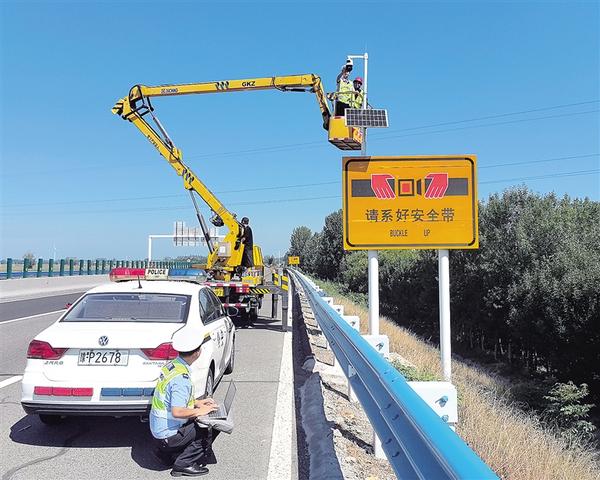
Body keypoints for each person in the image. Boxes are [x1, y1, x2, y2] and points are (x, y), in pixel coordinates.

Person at [150, 326, 220, 477]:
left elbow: (173, 399)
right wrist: (200, 411)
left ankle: (165, 454)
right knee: (210, 426)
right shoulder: (181, 379)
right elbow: (177, 411)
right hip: (168, 436)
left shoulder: (173, 366)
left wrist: (197, 403)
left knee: (200, 418)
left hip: (159, 433)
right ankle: (184, 464)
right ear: (197, 352)